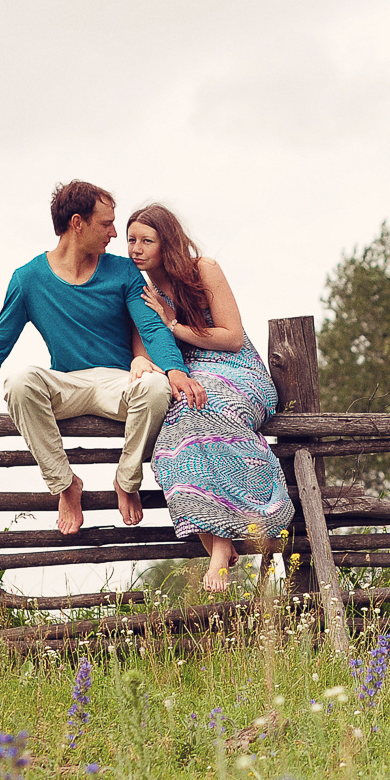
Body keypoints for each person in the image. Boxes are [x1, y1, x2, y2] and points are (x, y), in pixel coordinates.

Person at [0, 181, 192, 535]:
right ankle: (66, 485)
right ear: (77, 223)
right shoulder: (28, 279)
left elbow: (152, 328)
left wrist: (176, 371)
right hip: (67, 383)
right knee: (19, 383)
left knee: (156, 386)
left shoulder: (123, 271)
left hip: (118, 382)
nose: (114, 232)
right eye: (105, 224)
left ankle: (126, 481)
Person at [122, 203, 293, 591]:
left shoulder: (204, 269)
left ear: (168, 242)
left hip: (238, 372)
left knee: (206, 408)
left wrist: (174, 325)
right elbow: (144, 348)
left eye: (147, 240)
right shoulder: (140, 289)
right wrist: (137, 360)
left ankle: (231, 539)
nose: (136, 248)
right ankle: (219, 543)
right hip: (191, 380)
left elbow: (231, 337)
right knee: (169, 440)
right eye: (131, 240)